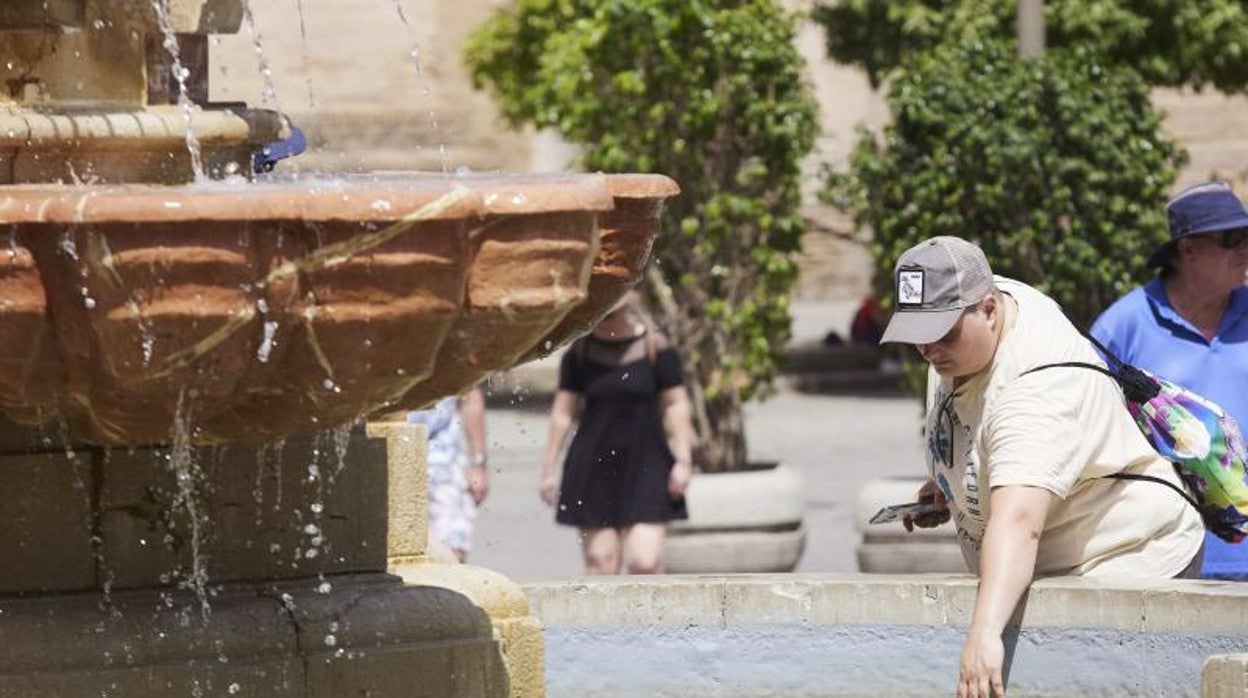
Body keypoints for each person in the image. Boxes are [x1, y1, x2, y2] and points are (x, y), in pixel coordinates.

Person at [882, 236, 1204, 698]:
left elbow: (1019, 522)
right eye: (918, 337)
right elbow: (985, 436)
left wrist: (984, 634)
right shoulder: (973, 328)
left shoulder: (1038, 388)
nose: (931, 350)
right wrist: (954, 488)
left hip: (1128, 558)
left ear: (989, 308)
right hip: (1054, 552)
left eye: (944, 333)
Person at [1091, 180, 1248, 580]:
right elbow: (1083, 430)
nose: (1245, 247)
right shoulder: (1121, 328)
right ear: (1188, 248)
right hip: (1170, 555)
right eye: (1233, 238)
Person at [539, 291, 695, 575]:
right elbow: (563, 413)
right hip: (594, 466)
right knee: (602, 563)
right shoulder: (579, 354)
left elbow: (676, 404)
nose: (602, 321)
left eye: (609, 314)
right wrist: (549, 469)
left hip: (647, 462)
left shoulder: (656, 349)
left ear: (627, 307)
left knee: (644, 562)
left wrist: (683, 459)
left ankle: (651, 621)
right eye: (597, 315)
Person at [406, 387, 489, 562]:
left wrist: (478, 463)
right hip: (393, 444)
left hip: (444, 454)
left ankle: (451, 586)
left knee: (452, 549)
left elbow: (471, 394)